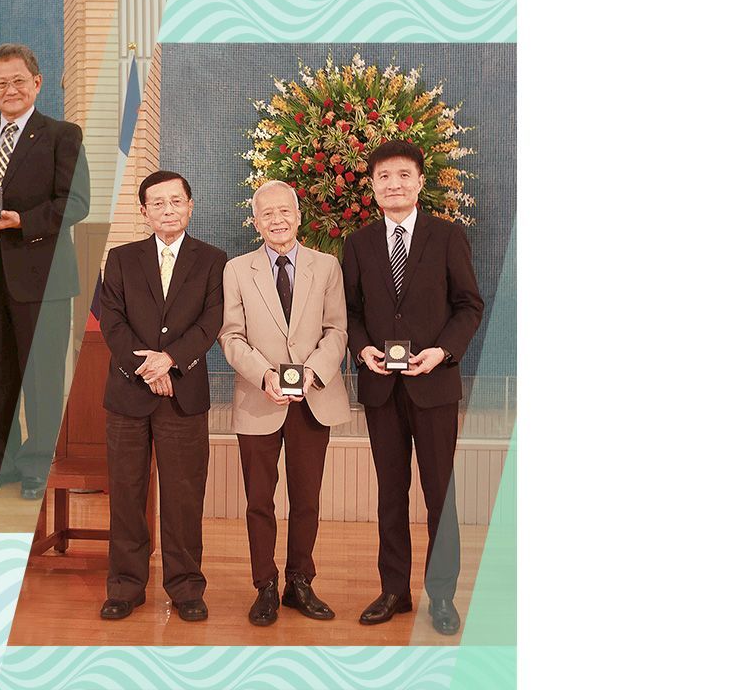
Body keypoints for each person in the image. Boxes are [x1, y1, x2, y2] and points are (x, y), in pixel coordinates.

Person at [342, 139, 483, 635]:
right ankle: (394, 590)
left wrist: (442, 352)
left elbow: (469, 305)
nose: (394, 184)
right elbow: (350, 312)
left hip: (434, 385)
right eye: (384, 176)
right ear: (372, 186)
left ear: (420, 181)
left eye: (403, 175)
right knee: (391, 493)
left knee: (439, 493)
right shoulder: (357, 244)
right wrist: (363, 350)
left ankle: (441, 596)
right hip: (381, 389)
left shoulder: (447, 236)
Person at [0, 43, 87, 500]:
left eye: (19, 81)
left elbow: (76, 203)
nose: (10, 90)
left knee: (42, 378)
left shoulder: (62, 135)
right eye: (1, 83)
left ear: (37, 83)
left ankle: (36, 466)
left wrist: (22, 221)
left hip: (44, 277)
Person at [96, 170, 226, 622]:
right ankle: (125, 586)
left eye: (176, 201)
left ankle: (186, 587)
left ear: (190, 205)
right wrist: (146, 368)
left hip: (183, 394)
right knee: (126, 494)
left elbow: (211, 322)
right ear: (144, 211)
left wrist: (169, 360)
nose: (168, 210)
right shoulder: (120, 259)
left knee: (183, 496)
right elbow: (111, 321)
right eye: (158, 203)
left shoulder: (213, 260)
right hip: (128, 395)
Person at [218, 180, 350, 626]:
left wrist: (312, 371)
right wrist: (264, 375)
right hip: (259, 399)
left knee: (306, 499)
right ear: (256, 222)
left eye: (284, 211)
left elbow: (337, 330)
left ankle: (300, 582)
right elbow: (231, 336)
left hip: (313, 398)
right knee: (259, 500)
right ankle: (265, 586)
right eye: (267, 213)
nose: (277, 220)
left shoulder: (327, 266)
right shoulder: (237, 270)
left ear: (298, 216)